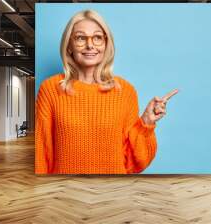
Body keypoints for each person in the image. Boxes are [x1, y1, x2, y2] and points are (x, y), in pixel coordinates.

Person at [35, 9, 178, 174]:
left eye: (97, 38)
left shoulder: (125, 91)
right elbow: (42, 153)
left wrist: (146, 123)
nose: (90, 45)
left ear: (106, 44)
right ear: (69, 46)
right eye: (81, 38)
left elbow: (134, 162)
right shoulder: (50, 89)